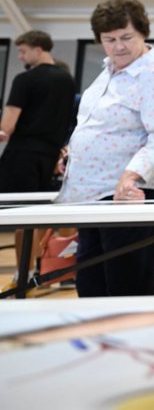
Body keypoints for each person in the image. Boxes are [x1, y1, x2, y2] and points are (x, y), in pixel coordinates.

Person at [57, 0, 154, 296]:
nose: (118, 47)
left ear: (143, 33)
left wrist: (131, 175)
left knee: (125, 288)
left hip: (129, 195)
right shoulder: (108, 71)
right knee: (90, 284)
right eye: (109, 40)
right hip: (93, 195)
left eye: (126, 37)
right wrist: (73, 155)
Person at [0, 30, 77, 288]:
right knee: (37, 217)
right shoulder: (67, 80)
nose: (21, 56)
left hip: (22, 155)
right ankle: (37, 271)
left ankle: (23, 276)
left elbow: (7, 126)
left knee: (20, 218)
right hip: (49, 156)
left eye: (22, 51)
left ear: (38, 48)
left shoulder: (25, 79)